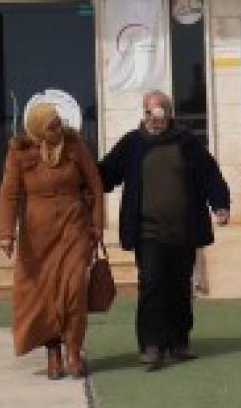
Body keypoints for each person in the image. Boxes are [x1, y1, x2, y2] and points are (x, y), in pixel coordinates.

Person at [98, 90, 230, 371]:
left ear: (169, 115)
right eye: (148, 113)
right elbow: (107, 173)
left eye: (158, 114)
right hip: (148, 232)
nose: (153, 119)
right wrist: (81, 175)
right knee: (152, 284)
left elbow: (210, 175)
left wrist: (220, 204)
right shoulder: (132, 144)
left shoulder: (187, 143)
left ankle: (179, 341)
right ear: (143, 114)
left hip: (183, 230)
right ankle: (151, 345)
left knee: (180, 288)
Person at [0, 98, 105, 380]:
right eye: (51, 127)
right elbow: (9, 194)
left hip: (74, 226)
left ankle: (73, 350)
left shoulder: (74, 146)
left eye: (59, 124)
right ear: (36, 130)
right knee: (44, 294)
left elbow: (94, 184)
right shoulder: (19, 153)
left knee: (73, 291)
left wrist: (97, 225)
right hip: (37, 234)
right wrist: (6, 234)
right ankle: (53, 353)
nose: (58, 130)